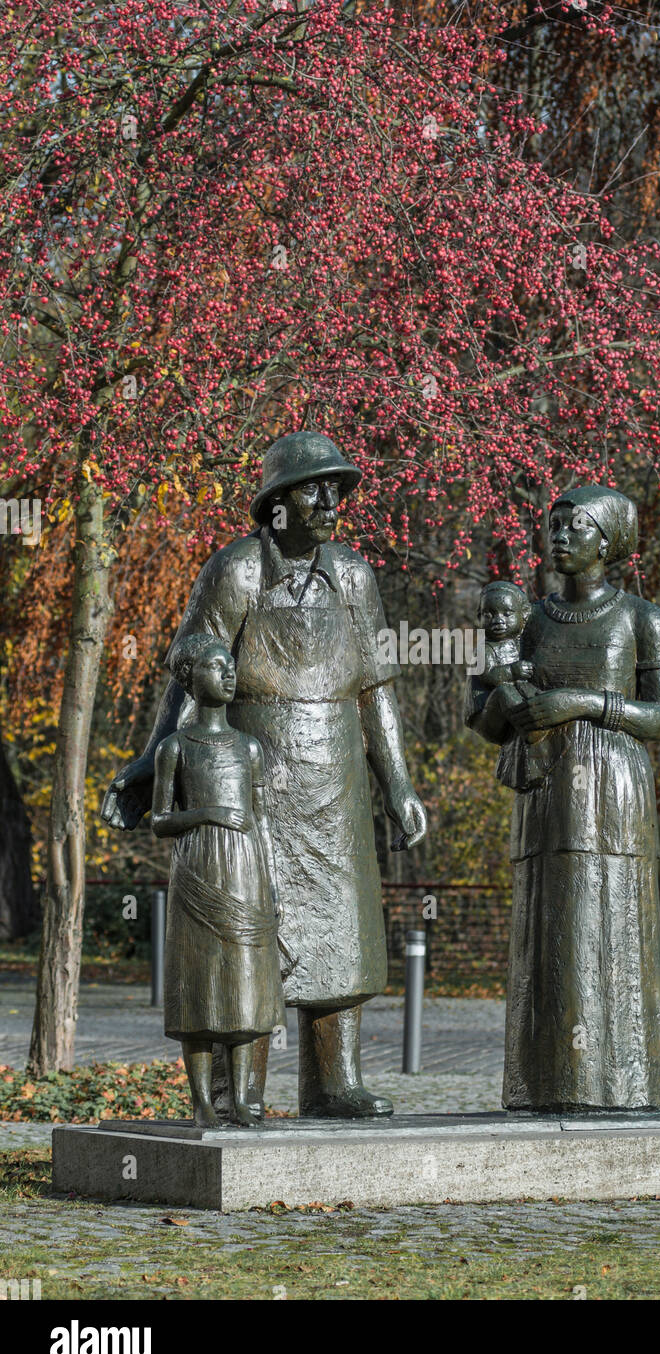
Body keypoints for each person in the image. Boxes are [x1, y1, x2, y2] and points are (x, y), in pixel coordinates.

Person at [102, 431, 427, 1119]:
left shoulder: (354, 577)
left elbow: (375, 689)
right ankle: (230, 1089)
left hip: (335, 772)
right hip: (255, 771)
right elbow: (192, 676)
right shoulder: (238, 570)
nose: (330, 502)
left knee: (343, 925)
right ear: (275, 502)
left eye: (336, 489)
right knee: (247, 930)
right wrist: (151, 759)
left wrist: (397, 784)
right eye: (314, 488)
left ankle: (334, 1082)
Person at [466, 485, 660, 1112]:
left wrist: (583, 703)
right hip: (545, 782)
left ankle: (629, 1084)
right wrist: (510, 705)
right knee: (553, 923)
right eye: (553, 525)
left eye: (574, 527)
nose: (557, 537)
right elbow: (479, 716)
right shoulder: (523, 618)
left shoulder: (643, 618)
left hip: (613, 783)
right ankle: (548, 1083)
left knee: (614, 920)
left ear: (607, 543)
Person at [151, 634, 286, 1128]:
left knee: (245, 981)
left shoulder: (248, 746)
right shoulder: (174, 747)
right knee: (200, 983)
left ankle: (244, 1100)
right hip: (198, 869)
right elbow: (160, 819)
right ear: (190, 679)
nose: (228, 674)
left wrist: (272, 885)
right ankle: (202, 1100)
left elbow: (263, 818)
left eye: (230, 666)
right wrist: (206, 813)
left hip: (247, 868)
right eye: (215, 666)